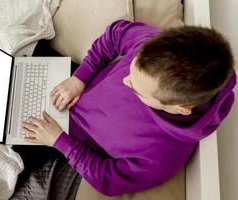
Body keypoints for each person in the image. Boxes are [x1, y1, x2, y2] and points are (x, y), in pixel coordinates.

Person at [21, 19, 236, 196]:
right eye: (131, 71)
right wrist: (80, 77)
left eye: (136, 89)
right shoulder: (154, 47)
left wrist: (60, 142)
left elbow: (107, 180)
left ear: (181, 108)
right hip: (71, 83)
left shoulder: (163, 156)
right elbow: (115, 34)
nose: (125, 81)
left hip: (64, 137)